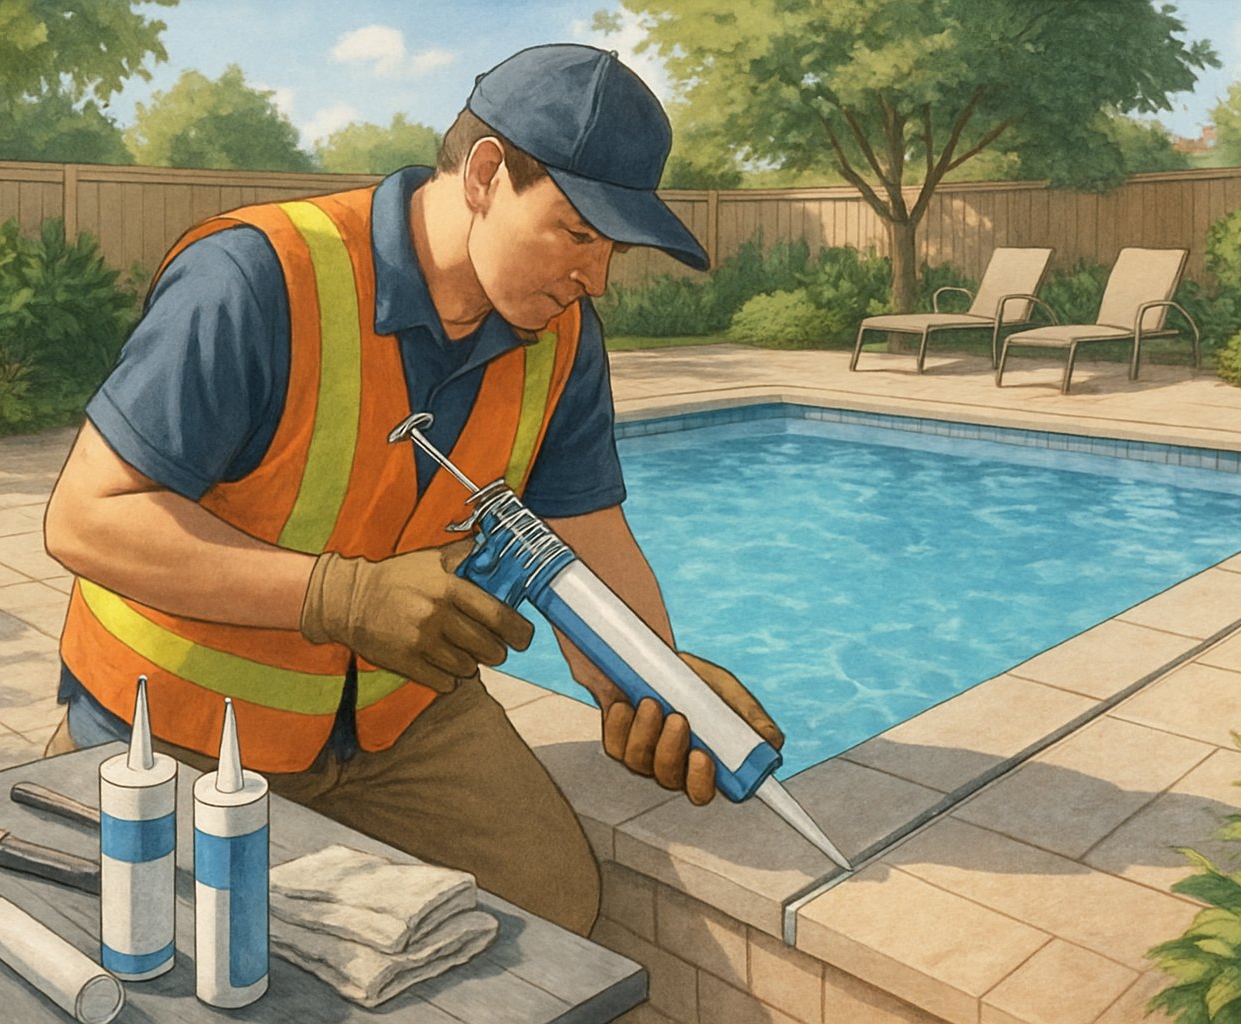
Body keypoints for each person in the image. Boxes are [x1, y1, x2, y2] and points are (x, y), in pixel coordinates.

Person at [41, 42, 781, 937]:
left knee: (551, 910)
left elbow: (585, 529)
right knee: (198, 959)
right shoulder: (254, 279)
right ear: (483, 174)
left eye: (613, 247)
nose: (597, 277)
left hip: (402, 725)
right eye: (578, 232)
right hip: (181, 718)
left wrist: (655, 683)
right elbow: (86, 518)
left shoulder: (562, 334)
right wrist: (340, 596)